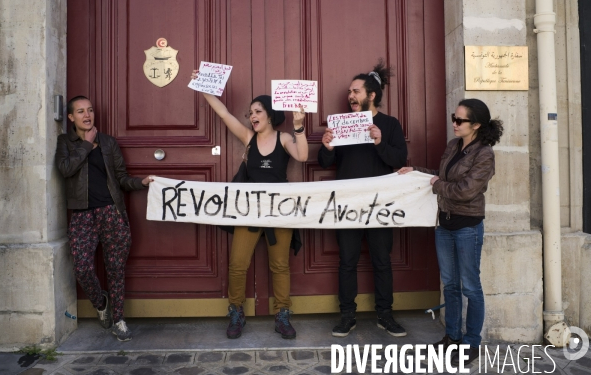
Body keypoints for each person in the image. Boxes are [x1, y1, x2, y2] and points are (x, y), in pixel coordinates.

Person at [190, 70, 309, 339]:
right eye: (250, 112)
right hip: (248, 210)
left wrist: (299, 126)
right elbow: (224, 114)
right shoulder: (248, 138)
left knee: (280, 266)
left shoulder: (285, 138)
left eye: (257, 111)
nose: (252, 115)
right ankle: (236, 311)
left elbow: (302, 156)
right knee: (237, 264)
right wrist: (204, 86)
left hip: (279, 210)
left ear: (270, 114)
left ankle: (282, 314)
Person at [397, 98, 503, 365]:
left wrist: (435, 183)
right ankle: (452, 337)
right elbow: (440, 176)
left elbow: (466, 190)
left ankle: (471, 343)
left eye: (460, 120)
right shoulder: (453, 146)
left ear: (476, 124)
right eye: (453, 118)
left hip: (467, 226)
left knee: (470, 287)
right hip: (444, 224)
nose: (454, 124)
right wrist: (417, 172)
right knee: (451, 286)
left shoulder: (484, 154)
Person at [318, 61, 408, 338]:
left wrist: (380, 142)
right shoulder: (343, 124)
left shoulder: (390, 125)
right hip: (347, 203)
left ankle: (385, 315)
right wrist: (328, 147)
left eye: (356, 91)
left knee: (382, 260)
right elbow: (324, 163)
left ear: (371, 95)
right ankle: (347, 316)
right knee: (347, 260)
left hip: (380, 204)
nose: (350, 96)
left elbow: (399, 161)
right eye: (349, 92)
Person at [55, 96, 154, 342]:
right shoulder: (65, 142)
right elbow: (65, 169)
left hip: (111, 213)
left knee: (116, 270)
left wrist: (140, 183)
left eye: (90, 110)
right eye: (80, 111)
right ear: (71, 118)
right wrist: (86, 145)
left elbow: (121, 178)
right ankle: (101, 303)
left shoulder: (108, 142)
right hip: (82, 215)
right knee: (82, 267)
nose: (87, 115)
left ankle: (119, 320)